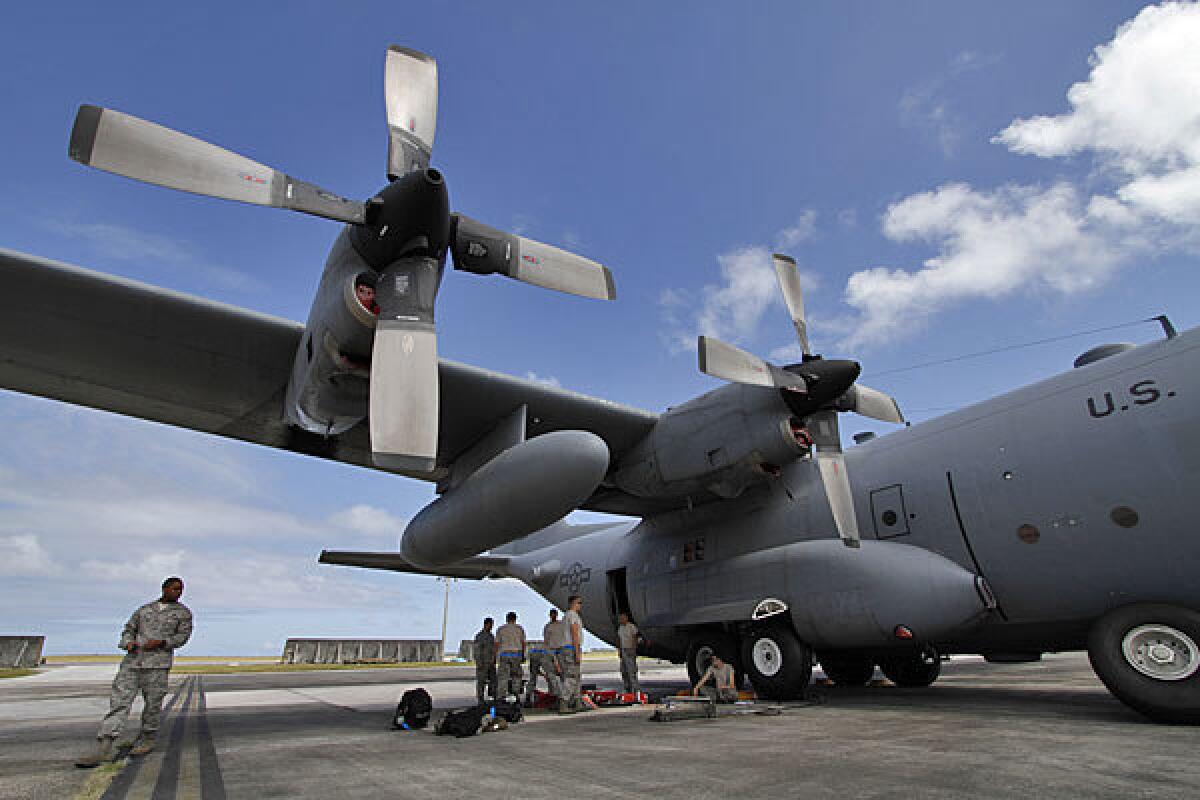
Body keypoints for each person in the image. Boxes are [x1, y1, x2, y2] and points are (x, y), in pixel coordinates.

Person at [76, 577, 193, 768]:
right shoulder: (145, 610)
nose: (177, 592)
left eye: (180, 590)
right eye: (174, 589)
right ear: (164, 588)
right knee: (119, 702)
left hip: (157, 665)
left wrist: (163, 643)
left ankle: (147, 738)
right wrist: (127, 643)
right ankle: (106, 745)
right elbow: (129, 629)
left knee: (153, 704)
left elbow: (182, 637)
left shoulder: (183, 614)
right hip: (133, 662)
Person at [558, 595, 584, 713]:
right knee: (572, 677)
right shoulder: (573, 615)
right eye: (579, 603)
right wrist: (577, 652)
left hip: (566, 648)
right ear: (573, 603)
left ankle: (577, 702)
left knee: (576, 676)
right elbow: (574, 634)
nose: (581, 605)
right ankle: (564, 702)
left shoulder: (566, 616)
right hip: (571, 648)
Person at [494, 611, 526, 701]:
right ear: (515, 619)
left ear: (507, 619)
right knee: (516, 676)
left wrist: (495, 656)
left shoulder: (501, 629)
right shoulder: (519, 629)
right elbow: (523, 643)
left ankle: (501, 697)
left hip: (504, 654)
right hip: (516, 654)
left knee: (503, 677)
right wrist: (523, 655)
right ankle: (516, 695)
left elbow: (496, 644)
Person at [616, 612, 641, 697]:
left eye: (622, 618)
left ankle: (635, 690)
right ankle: (627, 688)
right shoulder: (620, 628)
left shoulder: (631, 627)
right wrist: (619, 650)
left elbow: (635, 637)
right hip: (623, 650)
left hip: (630, 649)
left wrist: (634, 649)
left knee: (631, 670)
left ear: (626, 618)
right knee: (623, 670)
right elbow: (619, 639)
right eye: (620, 618)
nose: (620, 620)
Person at [473, 617, 497, 705]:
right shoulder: (480, 636)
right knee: (481, 682)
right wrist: (479, 663)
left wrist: (494, 660)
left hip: (491, 663)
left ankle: (494, 697)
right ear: (486, 624)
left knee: (494, 681)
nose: (491, 627)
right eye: (490, 625)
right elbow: (477, 650)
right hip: (482, 662)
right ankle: (480, 699)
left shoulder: (491, 636)